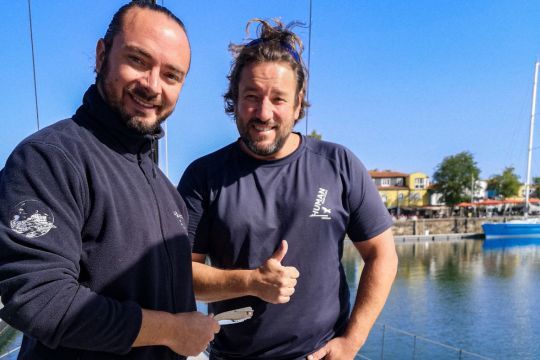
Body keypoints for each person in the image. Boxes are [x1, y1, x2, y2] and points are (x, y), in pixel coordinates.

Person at [0, 2, 220, 359]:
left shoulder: (167, 192)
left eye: (171, 76)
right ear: (102, 56)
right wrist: (174, 330)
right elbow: (39, 299)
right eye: (138, 60)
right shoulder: (49, 158)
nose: (152, 85)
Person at [178, 18, 398, 360]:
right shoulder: (203, 176)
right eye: (251, 97)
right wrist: (252, 282)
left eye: (278, 99)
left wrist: (352, 341)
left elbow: (382, 255)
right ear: (234, 100)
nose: (263, 112)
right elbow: (181, 275)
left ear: (298, 106)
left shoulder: (339, 165)